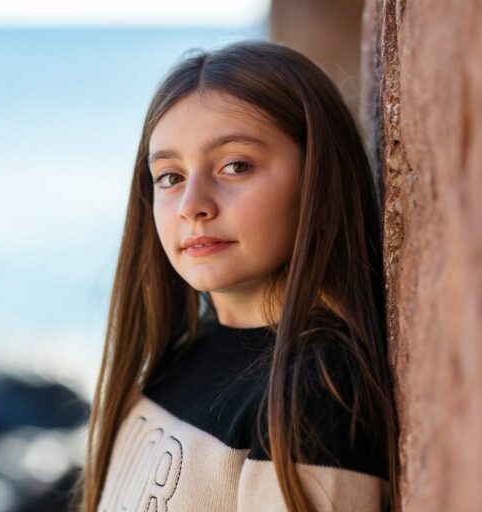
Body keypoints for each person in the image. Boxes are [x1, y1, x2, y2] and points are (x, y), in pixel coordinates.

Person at [75, 40, 400, 512]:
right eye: (170, 176)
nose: (193, 206)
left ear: (317, 176)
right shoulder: (177, 359)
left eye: (235, 165)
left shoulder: (316, 393)